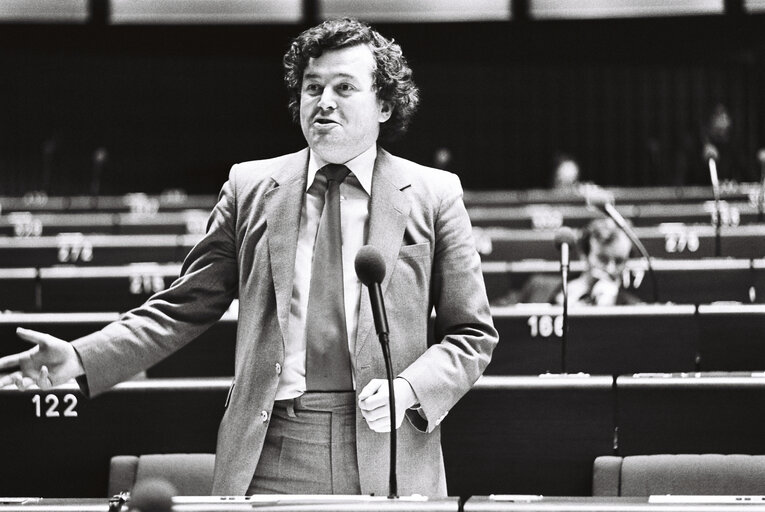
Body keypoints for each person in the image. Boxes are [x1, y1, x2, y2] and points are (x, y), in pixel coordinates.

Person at [0, 18, 498, 497]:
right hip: (272, 445)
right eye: (312, 86)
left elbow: (473, 334)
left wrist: (411, 387)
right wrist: (82, 357)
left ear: (384, 105)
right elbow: (183, 306)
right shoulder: (250, 186)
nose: (323, 102)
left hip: (389, 445)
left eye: (344, 88)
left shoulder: (434, 194)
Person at [494, 218, 640, 306]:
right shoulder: (539, 286)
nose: (610, 269)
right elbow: (493, 317)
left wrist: (610, 310)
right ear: (584, 254)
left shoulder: (634, 308)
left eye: (619, 261)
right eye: (602, 259)